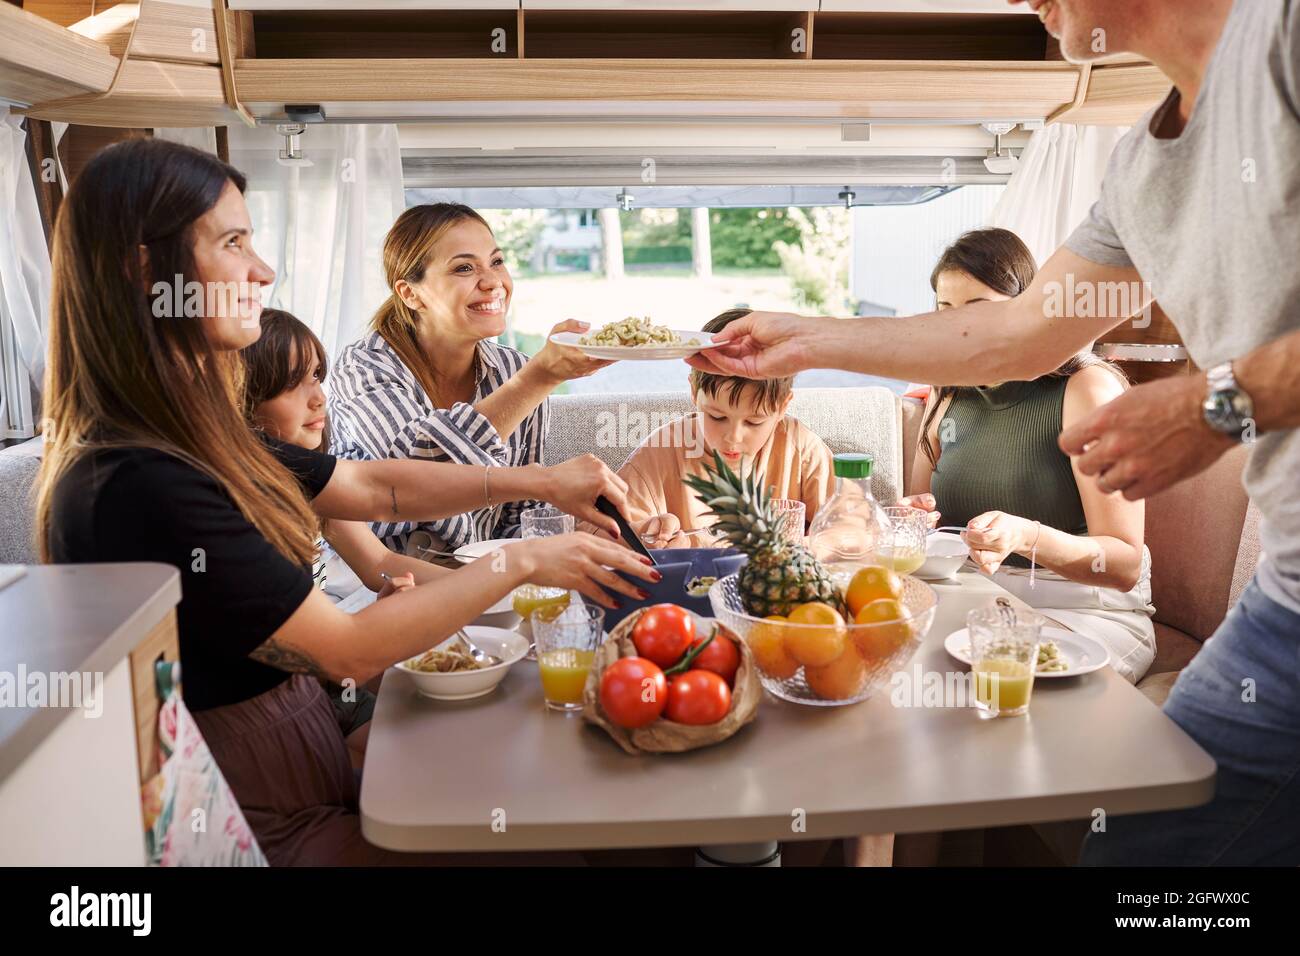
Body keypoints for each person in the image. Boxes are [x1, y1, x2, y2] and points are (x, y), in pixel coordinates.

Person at [690, 0, 1300, 866]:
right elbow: (1013, 337)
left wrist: (1214, 405)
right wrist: (804, 338)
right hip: (1289, 593)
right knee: (1145, 854)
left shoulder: (1284, 41)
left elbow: (1121, 555)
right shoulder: (1141, 169)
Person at [36, 138, 658, 865]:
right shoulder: (140, 478)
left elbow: (373, 486)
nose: (263, 270)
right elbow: (347, 649)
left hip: (313, 759)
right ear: (146, 272)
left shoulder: (199, 437)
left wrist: (543, 483)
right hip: (260, 817)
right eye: (233, 243)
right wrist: (522, 562)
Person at [906, 228, 1155, 683]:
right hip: (978, 601)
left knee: (1004, 676)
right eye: (946, 312)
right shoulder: (946, 393)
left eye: (980, 309)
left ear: (1027, 309)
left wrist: (1026, 536)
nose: (960, 329)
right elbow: (924, 516)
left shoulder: (1086, 391)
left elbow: (1123, 563)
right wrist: (909, 521)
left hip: (1083, 607)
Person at [328, 202, 611, 558]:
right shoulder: (364, 368)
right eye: (464, 268)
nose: (493, 282)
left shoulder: (514, 369)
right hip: (379, 578)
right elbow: (413, 480)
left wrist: (595, 532)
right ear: (410, 293)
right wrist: (537, 379)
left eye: (496, 262)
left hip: (482, 575)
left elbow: (517, 519)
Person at [620, 309, 834, 549]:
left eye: (754, 422)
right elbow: (602, 535)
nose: (733, 437)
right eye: (717, 417)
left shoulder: (801, 448)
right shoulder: (660, 453)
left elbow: (851, 531)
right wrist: (647, 533)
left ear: (783, 406)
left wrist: (794, 547)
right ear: (694, 392)